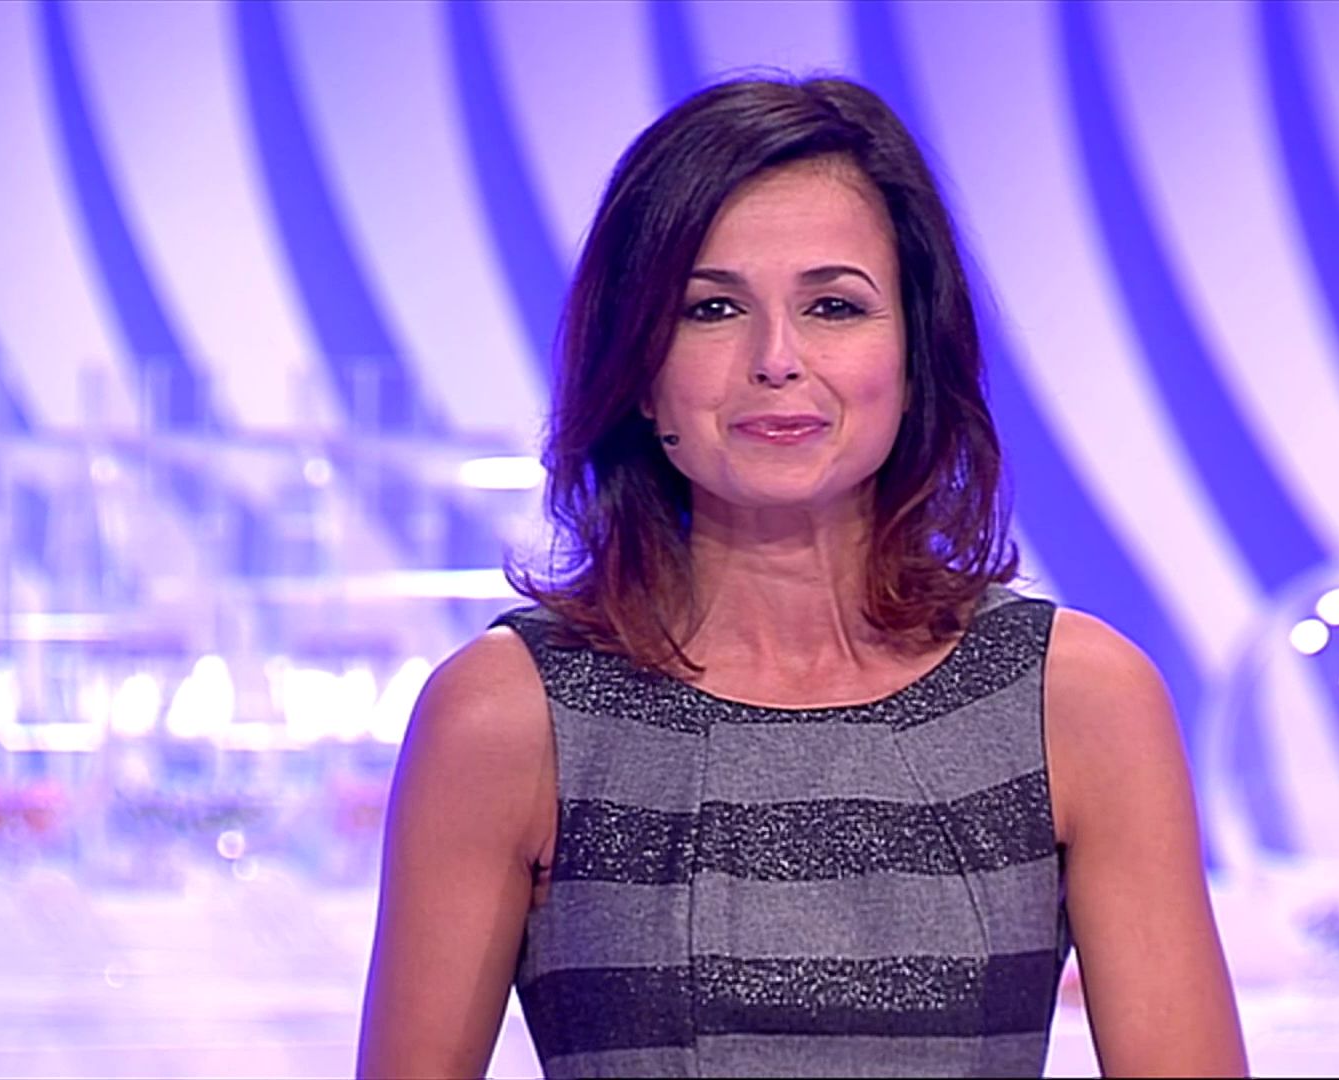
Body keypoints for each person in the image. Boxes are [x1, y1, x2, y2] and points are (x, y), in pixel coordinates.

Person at [357, 75, 1246, 1079]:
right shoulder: (504, 716)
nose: (776, 359)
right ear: (640, 371)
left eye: (833, 306)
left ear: (914, 356)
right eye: (712, 308)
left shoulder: (1077, 700)